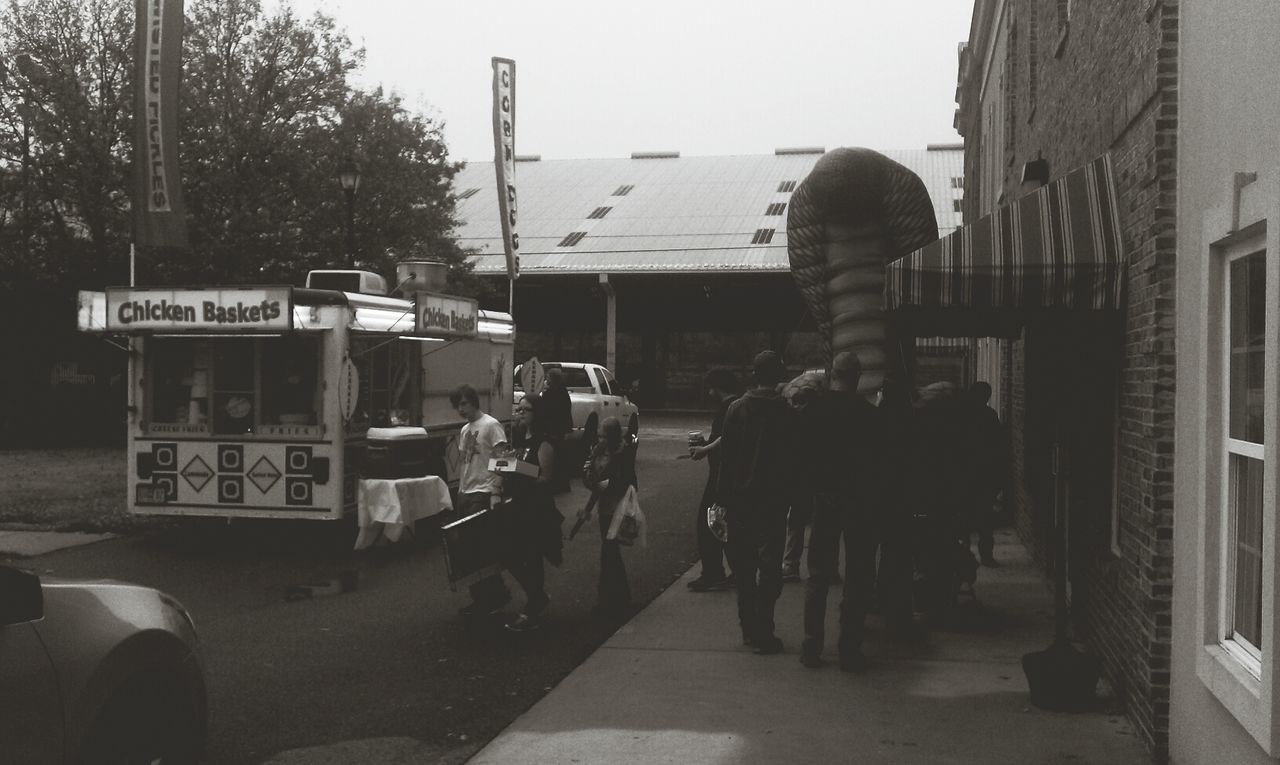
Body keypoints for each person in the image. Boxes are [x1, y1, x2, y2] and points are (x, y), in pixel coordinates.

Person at [798, 352, 886, 672]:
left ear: (831, 373)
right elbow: (879, 466)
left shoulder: (814, 411)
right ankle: (849, 649)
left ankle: (812, 647)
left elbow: (803, 459)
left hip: (825, 501)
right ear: (858, 376)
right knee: (858, 577)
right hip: (860, 503)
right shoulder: (870, 416)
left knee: (819, 576)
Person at [716, 350, 794, 655]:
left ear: (754, 375)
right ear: (777, 377)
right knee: (770, 565)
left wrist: (722, 500)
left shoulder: (736, 410)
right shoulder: (787, 413)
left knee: (744, 567)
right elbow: (792, 460)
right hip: (773, 502)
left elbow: (727, 459)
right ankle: (765, 628)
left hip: (739, 501)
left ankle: (748, 627)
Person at [449, 384, 512, 617]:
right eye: (458, 405)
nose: (461, 409)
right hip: (466, 492)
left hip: (483, 491)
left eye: (464, 403)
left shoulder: (491, 425)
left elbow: (504, 459)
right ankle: (481, 597)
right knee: (468, 550)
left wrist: (496, 489)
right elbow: (466, 464)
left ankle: (495, 595)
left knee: (481, 547)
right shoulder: (465, 429)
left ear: (474, 401)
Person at [504, 393, 565, 632]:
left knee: (531, 556)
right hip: (518, 505)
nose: (519, 414)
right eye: (518, 410)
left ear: (536, 414)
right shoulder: (520, 439)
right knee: (511, 554)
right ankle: (536, 596)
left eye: (525, 410)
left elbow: (545, 477)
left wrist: (518, 469)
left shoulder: (544, 442)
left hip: (536, 508)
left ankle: (534, 605)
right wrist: (506, 467)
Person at [687, 367, 740, 592]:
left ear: (716, 387)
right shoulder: (737, 404)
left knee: (708, 522)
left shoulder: (729, 407)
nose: (708, 391)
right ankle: (737, 571)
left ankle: (713, 574)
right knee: (724, 522)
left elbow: (727, 437)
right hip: (728, 475)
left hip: (721, 477)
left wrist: (704, 449)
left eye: (709, 387)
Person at [579, 416, 637, 616]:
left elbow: (629, 482)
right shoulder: (598, 451)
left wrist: (607, 485)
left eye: (603, 435)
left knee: (609, 552)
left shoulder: (624, 453)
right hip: (604, 508)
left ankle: (610, 599)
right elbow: (590, 477)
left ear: (612, 436)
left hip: (618, 508)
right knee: (610, 553)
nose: (599, 439)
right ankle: (618, 597)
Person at [961, 381, 1006, 567]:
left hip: (965, 474)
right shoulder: (990, 416)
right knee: (985, 519)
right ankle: (986, 555)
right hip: (984, 475)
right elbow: (998, 447)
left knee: (963, 518)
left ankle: (963, 554)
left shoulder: (961, 415)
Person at [542, 369, 575, 493]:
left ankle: (554, 483)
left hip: (551, 429)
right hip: (560, 430)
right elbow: (567, 412)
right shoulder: (563, 392)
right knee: (560, 457)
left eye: (548, 377)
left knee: (552, 457)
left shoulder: (549, 394)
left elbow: (545, 411)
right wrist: (567, 429)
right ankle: (562, 483)